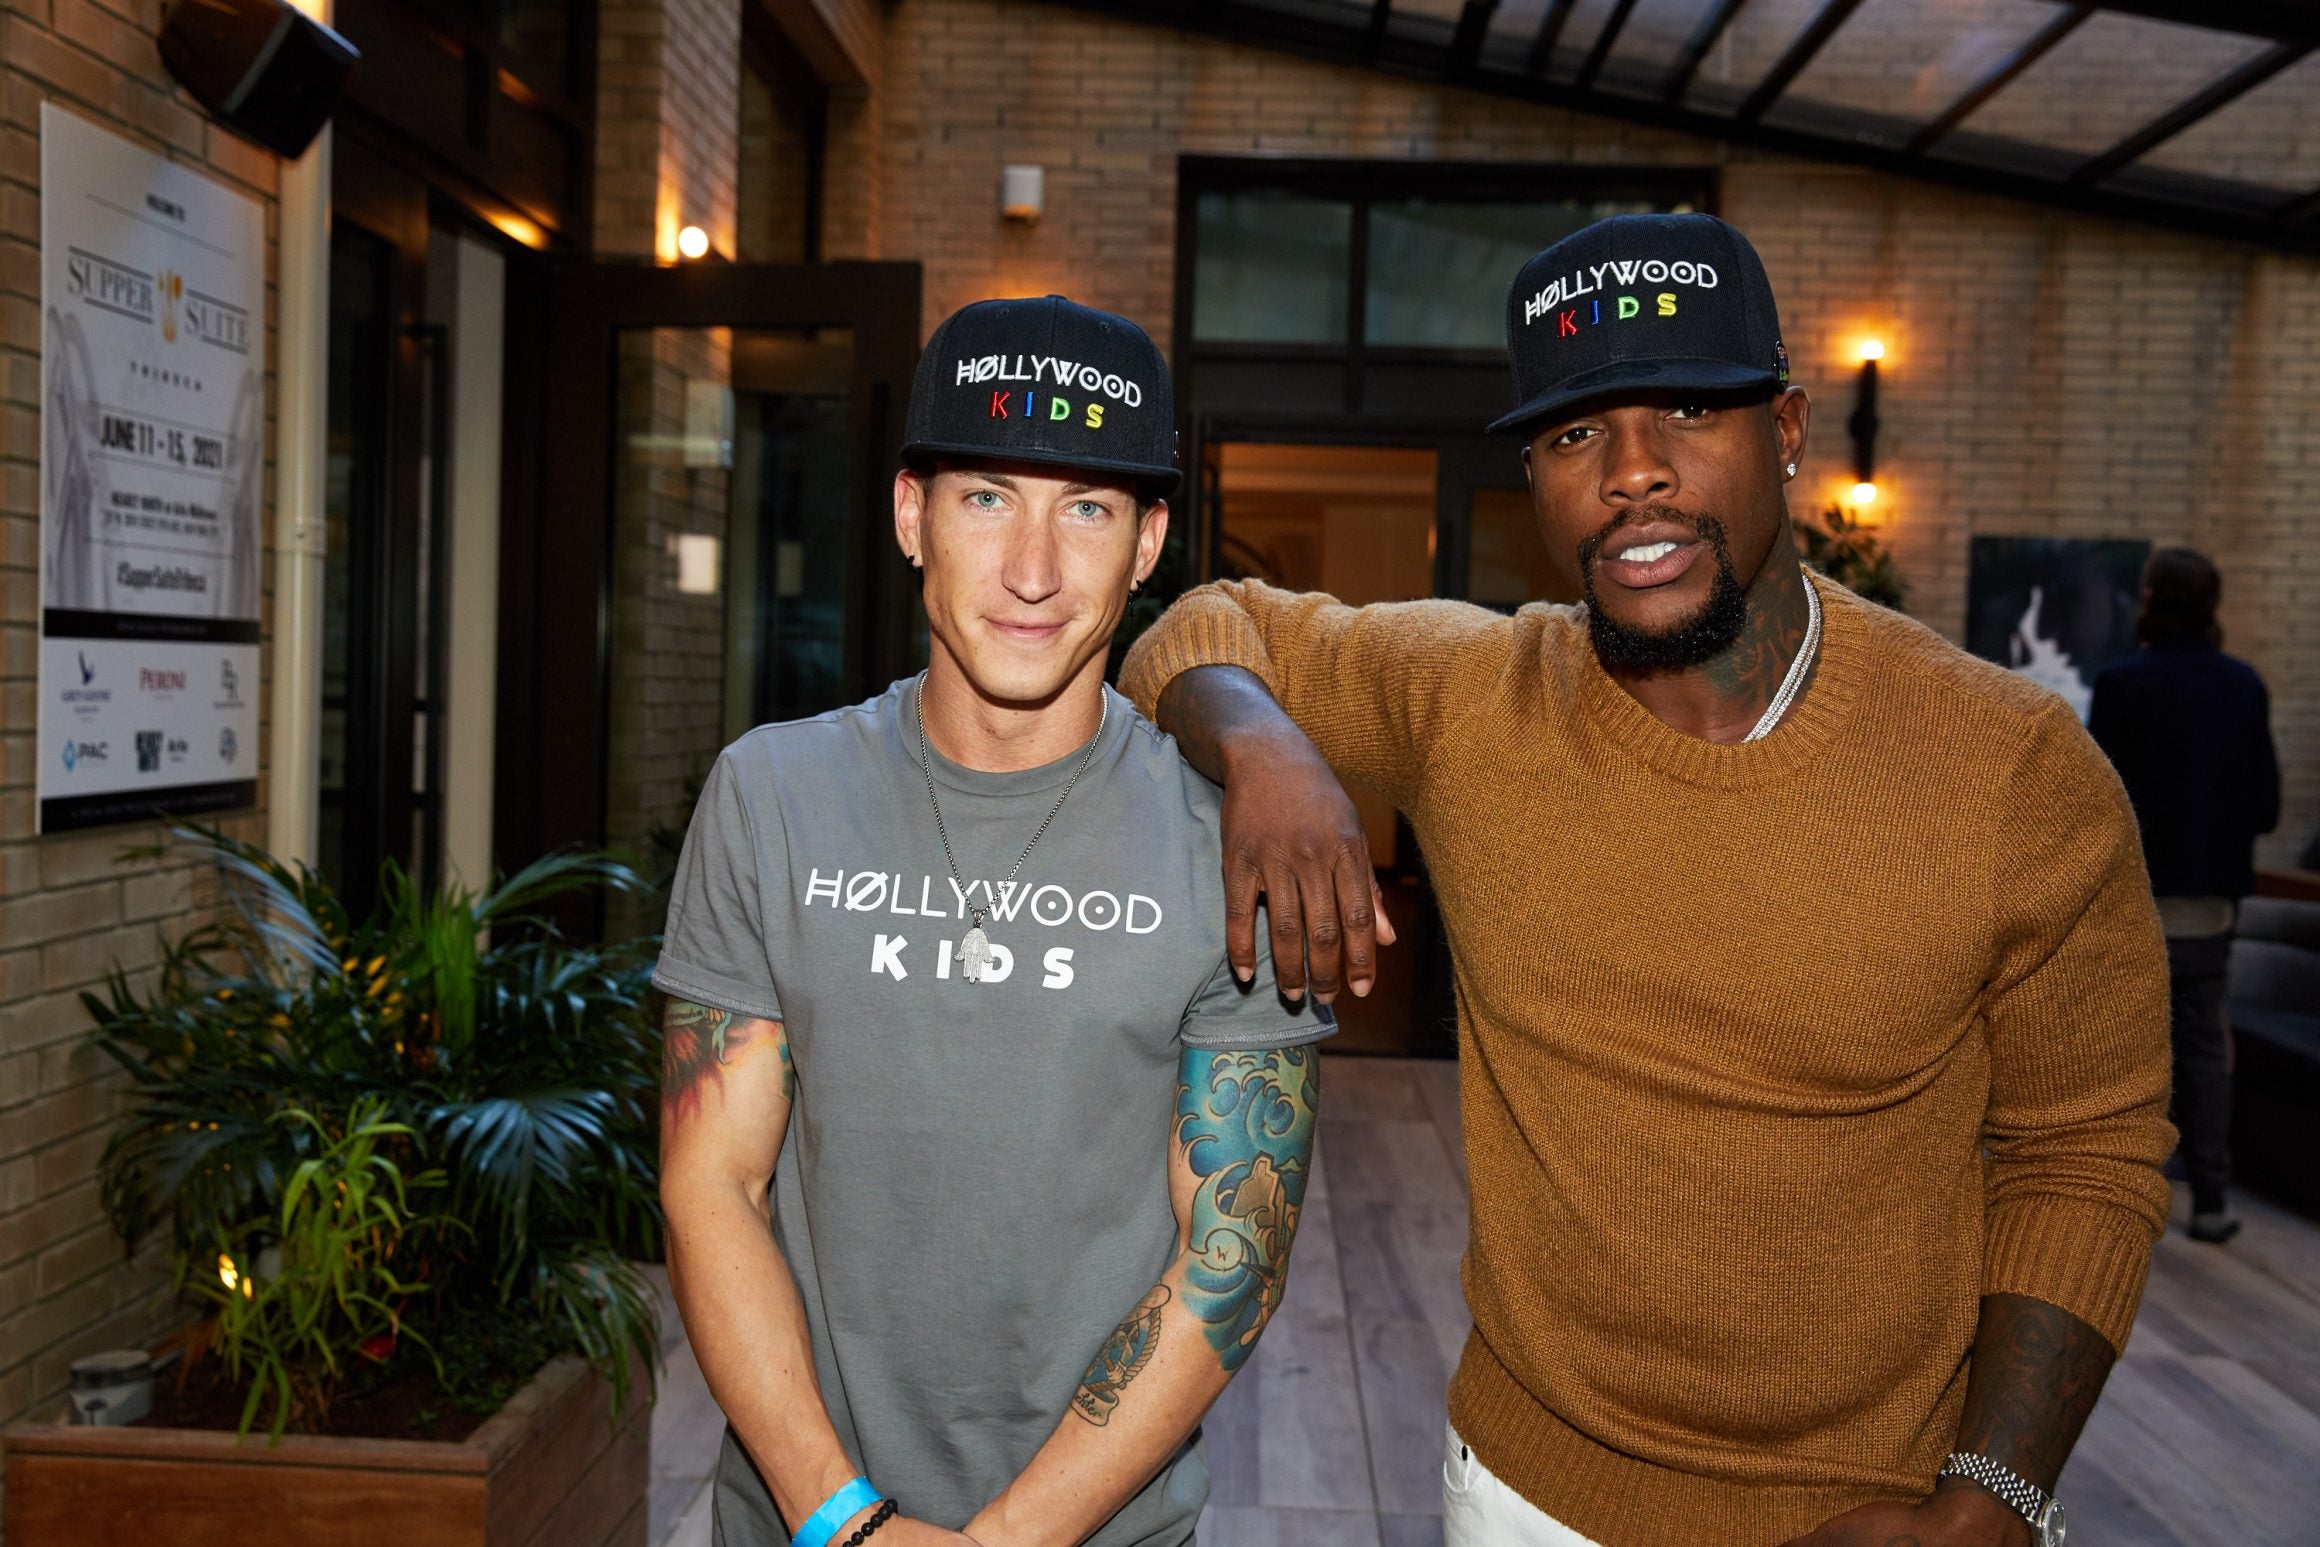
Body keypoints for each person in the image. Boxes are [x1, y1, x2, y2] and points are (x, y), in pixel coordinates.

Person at [1120, 213, 2174, 1547]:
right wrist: (1267, 748)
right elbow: (1198, 627)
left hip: (1874, 1505)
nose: (1631, 472)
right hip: (1525, 1490)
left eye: (1687, 409)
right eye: (1574, 433)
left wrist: (1996, 1499)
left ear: (1785, 430)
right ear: (1534, 476)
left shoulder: (2009, 766)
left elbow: (2086, 1146)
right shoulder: (1471, 696)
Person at [655, 295, 1329, 1547]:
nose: (1032, 568)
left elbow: (1231, 1252)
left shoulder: (1231, 848)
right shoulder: (770, 794)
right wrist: (842, 1517)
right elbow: (715, 1184)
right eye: (985, 497)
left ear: (1146, 543)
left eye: (1087, 509)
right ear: (910, 514)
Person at [2090, 546, 2280, 1245]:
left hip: (2133, 903)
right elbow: (2265, 807)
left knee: (2118, 1056)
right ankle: (2211, 1200)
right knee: (2202, 1047)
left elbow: (2096, 808)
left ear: (2149, 599)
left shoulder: (2123, 684)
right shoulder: (2244, 685)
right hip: (2210, 906)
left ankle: (2118, 1207)